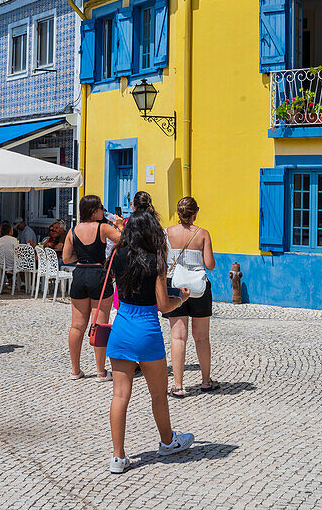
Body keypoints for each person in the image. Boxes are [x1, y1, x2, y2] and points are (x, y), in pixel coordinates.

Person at [106, 209, 195, 474]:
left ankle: (118, 457)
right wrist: (183, 298)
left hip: (122, 326)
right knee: (158, 395)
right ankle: (168, 442)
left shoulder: (117, 257)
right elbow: (164, 305)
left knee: (120, 395)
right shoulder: (154, 261)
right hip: (146, 329)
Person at [62, 195, 121, 381]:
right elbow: (124, 239)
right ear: (94, 211)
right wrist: (119, 224)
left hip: (80, 274)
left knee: (77, 326)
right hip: (98, 274)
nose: (103, 211)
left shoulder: (72, 231)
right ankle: (100, 371)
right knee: (100, 324)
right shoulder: (103, 228)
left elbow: (66, 258)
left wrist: (81, 257)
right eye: (100, 209)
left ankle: (75, 370)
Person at [163, 196, 217, 397]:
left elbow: (163, 261)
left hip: (175, 286)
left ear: (178, 213)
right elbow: (210, 264)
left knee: (178, 337)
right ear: (195, 213)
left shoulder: (167, 233)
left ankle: (178, 386)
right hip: (198, 288)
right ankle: (205, 381)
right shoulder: (203, 234)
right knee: (202, 337)